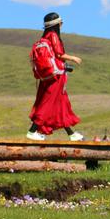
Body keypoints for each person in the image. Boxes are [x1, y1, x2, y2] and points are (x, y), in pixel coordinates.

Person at [27, 12, 83, 141]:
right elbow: (59, 54)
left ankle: (71, 134)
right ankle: (32, 131)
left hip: (48, 75)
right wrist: (73, 58)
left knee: (61, 104)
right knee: (47, 103)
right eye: (60, 22)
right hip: (56, 77)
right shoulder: (53, 36)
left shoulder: (45, 37)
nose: (62, 24)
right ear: (57, 24)